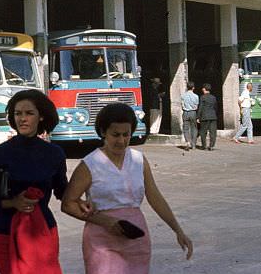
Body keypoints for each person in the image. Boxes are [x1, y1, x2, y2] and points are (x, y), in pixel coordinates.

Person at [61, 103, 193, 273]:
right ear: (103, 132)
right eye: (115, 135)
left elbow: (155, 197)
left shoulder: (139, 160)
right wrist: (106, 221)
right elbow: (68, 204)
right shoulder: (90, 164)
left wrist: (178, 230)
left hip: (135, 237)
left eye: (126, 134)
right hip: (101, 241)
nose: (121, 141)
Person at [0, 90, 87, 274]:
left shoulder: (54, 154)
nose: (22, 119)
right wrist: (13, 203)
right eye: (18, 113)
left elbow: (62, 191)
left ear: (41, 116)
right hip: (5, 232)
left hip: (44, 231)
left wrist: (81, 202)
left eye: (29, 113)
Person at [197, 83, 218, 150]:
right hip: (213, 116)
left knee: (203, 132)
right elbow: (216, 107)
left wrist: (198, 117)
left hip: (204, 117)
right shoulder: (213, 97)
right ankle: (211, 146)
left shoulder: (202, 97)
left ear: (204, 89)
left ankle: (204, 146)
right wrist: (215, 114)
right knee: (213, 132)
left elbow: (200, 108)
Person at [180, 82, 199, 150]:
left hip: (185, 112)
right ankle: (193, 144)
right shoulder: (196, 96)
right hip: (193, 112)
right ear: (193, 88)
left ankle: (187, 142)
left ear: (187, 87)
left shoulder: (183, 96)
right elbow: (196, 106)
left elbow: (182, 105)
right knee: (194, 128)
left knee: (185, 128)